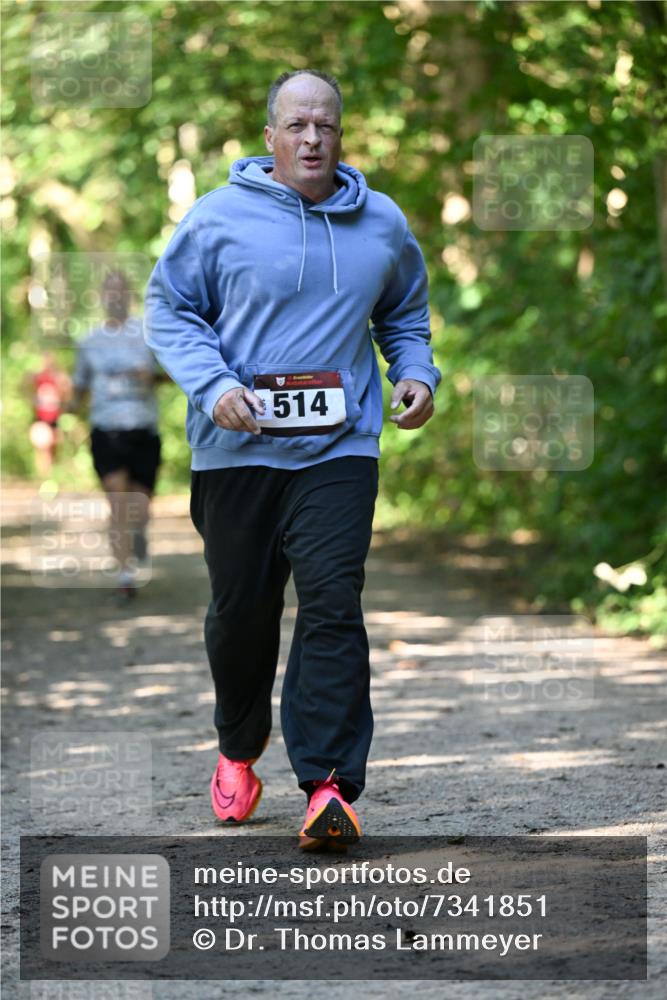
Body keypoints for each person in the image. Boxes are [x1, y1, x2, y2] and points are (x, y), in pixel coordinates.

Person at [145, 69, 440, 848]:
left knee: (333, 602)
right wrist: (212, 387)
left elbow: (404, 314)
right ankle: (238, 747)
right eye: (298, 125)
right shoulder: (216, 219)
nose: (313, 139)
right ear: (270, 136)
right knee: (241, 616)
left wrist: (414, 372)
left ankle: (330, 785)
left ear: (342, 136)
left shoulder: (380, 222)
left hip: (339, 449)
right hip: (236, 451)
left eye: (327, 126)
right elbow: (168, 308)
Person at [71, 270, 163, 602]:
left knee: (139, 508)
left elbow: (171, 374)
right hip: (106, 431)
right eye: (109, 291)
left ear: (129, 295)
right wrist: (66, 411)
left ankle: (138, 535)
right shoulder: (89, 341)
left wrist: (150, 376)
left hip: (144, 429)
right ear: (101, 297)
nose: (115, 297)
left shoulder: (148, 334)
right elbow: (79, 386)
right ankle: (125, 577)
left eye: (120, 291)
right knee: (117, 502)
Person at [26, 351, 70, 478]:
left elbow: (67, 389)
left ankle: (51, 476)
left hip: (54, 418)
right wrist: (31, 398)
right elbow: (26, 385)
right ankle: (43, 476)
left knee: (53, 448)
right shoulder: (38, 377)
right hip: (41, 418)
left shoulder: (58, 377)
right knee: (42, 447)